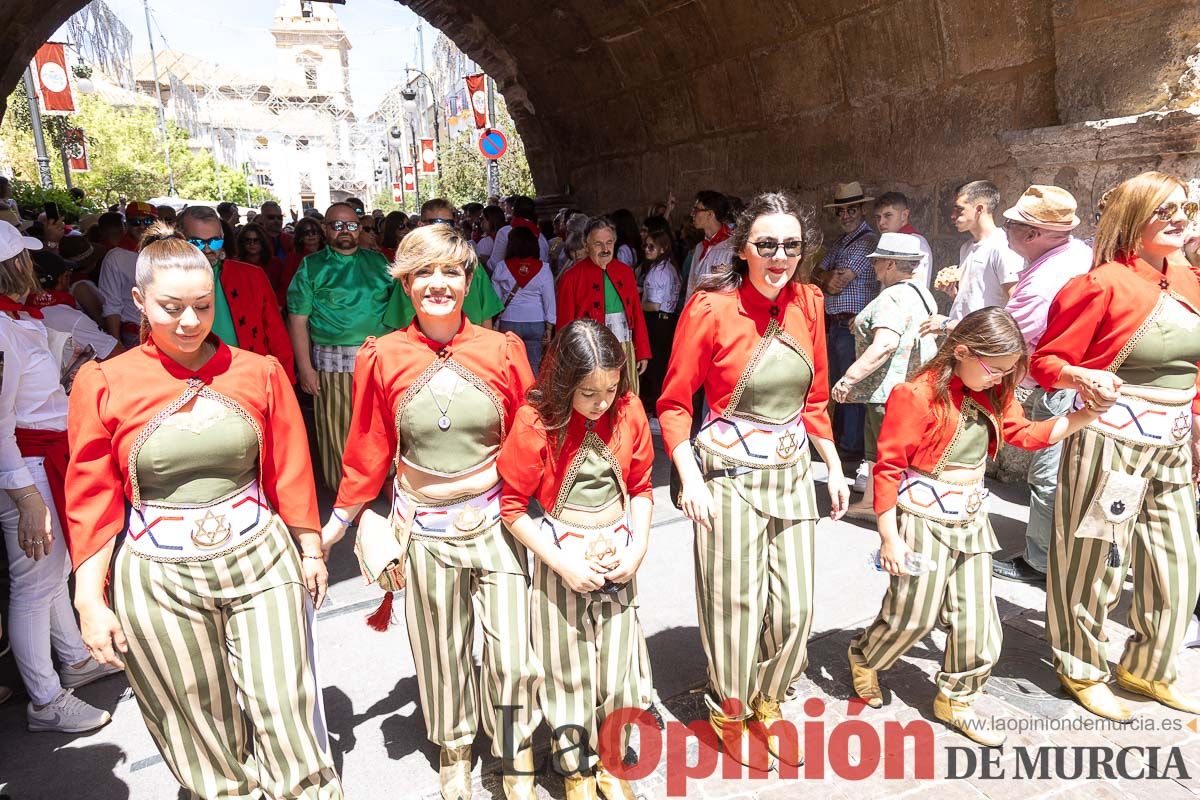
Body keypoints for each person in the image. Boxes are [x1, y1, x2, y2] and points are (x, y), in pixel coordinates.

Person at [66, 223, 342, 797]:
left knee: (282, 698)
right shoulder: (103, 383)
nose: (190, 322)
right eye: (172, 308)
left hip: (261, 558)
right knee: (194, 716)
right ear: (140, 301)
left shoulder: (258, 372)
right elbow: (91, 497)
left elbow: (290, 467)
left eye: (201, 304)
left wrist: (309, 547)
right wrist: (89, 598)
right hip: (158, 574)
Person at [321, 223, 542, 800]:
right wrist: (338, 523)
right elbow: (368, 444)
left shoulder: (504, 350)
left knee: (514, 654)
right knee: (440, 651)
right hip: (423, 530)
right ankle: (455, 749)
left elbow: (533, 435)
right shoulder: (381, 355)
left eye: (451, 271)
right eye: (424, 272)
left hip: (496, 525)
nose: (438, 283)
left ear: (469, 281)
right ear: (406, 282)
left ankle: (516, 749)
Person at [847, 307, 1104, 746]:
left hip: (970, 517)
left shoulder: (996, 392)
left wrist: (1084, 417)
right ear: (962, 351)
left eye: (1009, 370)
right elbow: (888, 468)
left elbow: (1023, 434)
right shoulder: (915, 395)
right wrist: (889, 535)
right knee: (913, 613)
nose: (1001, 378)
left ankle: (957, 697)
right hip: (922, 518)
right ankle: (865, 656)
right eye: (995, 368)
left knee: (979, 619)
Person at [658, 191, 849, 768]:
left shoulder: (810, 302)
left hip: (791, 472)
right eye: (766, 244)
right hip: (727, 474)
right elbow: (672, 403)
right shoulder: (710, 308)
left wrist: (834, 465)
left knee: (794, 605)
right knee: (734, 601)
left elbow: (814, 398)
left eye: (791, 245)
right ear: (743, 249)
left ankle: (771, 698)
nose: (779, 256)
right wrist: (688, 477)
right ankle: (732, 707)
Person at [1032, 171, 1200, 721]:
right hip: (1112, 446)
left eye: (1185, 208)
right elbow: (1046, 363)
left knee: (1179, 565)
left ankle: (1148, 667)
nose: (1180, 218)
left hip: (1172, 446)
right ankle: (1080, 665)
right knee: (1095, 561)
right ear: (1135, 216)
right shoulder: (1101, 283)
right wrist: (1082, 378)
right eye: (1165, 210)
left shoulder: (1188, 277)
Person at [497, 319, 653, 800]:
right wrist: (563, 565)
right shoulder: (535, 421)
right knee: (568, 675)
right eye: (588, 392)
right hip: (559, 560)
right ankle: (576, 771)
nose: (601, 402)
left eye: (610, 388)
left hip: (618, 556)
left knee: (619, 673)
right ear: (564, 382)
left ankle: (612, 758)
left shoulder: (628, 410)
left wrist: (637, 550)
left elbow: (644, 487)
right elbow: (512, 508)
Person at [0, 223, 116, 734]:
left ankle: (73, 659)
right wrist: (25, 497)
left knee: (52, 572)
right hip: (26, 466)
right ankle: (46, 699)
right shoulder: (3, 327)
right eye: (27, 258)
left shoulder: (16, 320)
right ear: (14, 266)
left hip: (41, 459)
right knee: (35, 583)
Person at [990, 186, 1092, 585]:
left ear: (1031, 234)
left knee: (1048, 475)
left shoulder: (1044, 278)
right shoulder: (1076, 254)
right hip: (1073, 381)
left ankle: (1041, 561)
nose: (1007, 229)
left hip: (1063, 386)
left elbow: (1013, 339)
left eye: (1011, 224)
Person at [288, 203, 394, 490]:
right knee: (340, 432)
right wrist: (305, 368)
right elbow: (298, 320)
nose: (344, 232)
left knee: (382, 427)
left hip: (379, 361)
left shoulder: (381, 262)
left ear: (360, 229)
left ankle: (385, 481)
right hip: (332, 366)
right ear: (325, 229)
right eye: (336, 225)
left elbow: (399, 310)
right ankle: (348, 493)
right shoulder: (312, 266)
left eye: (351, 225)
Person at [831, 233, 937, 517]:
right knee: (884, 452)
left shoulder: (892, 296)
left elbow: (886, 343)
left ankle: (883, 508)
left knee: (883, 452)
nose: (874, 267)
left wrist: (848, 378)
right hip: (910, 387)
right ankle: (872, 502)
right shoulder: (920, 293)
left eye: (877, 261)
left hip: (887, 390)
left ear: (890, 264)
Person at [178, 207, 295, 381]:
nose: (208, 249)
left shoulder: (252, 276)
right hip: (192, 378)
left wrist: (286, 381)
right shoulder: (167, 281)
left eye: (215, 242)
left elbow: (276, 334)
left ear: (223, 238)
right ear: (181, 241)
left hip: (248, 376)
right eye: (197, 243)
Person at [812, 182, 880, 461]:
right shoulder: (842, 242)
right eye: (841, 211)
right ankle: (843, 441)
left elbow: (837, 282)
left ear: (863, 209)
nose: (846, 216)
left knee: (850, 386)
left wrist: (825, 276)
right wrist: (823, 276)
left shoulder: (867, 241)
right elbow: (816, 272)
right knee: (838, 385)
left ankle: (850, 448)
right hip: (836, 324)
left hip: (852, 325)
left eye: (851, 209)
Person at [557, 217, 651, 395]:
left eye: (609, 243)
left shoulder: (625, 272)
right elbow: (565, 323)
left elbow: (637, 314)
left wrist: (642, 351)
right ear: (586, 245)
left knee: (626, 397)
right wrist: (569, 358)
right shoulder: (571, 278)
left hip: (624, 345)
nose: (605, 249)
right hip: (591, 350)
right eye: (598, 244)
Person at [921, 180, 1023, 336]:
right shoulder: (966, 247)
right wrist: (954, 293)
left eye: (959, 209)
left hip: (985, 343)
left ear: (979, 209)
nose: (953, 216)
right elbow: (977, 299)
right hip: (964, 339)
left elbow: (1016, 305)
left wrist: (945, 325)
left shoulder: (1002, 247)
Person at [385, 199, 505, 330]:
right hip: (422, 347)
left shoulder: (470, 262)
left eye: (450, 223)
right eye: (438, 222)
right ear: (420, 224)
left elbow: (486, 313)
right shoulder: (411, 267)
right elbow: (400, 320)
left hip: (470, 345)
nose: (438, 285)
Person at [491, 226, 555, 374]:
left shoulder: (502, 267)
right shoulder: (544, 268)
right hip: (536, 321)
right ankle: (531, 395)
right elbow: (549, 301)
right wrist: (549, 328)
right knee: (534, 365)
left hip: (509, 321)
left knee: (510, 365)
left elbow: (496, 300)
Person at [99, 201, 158, 347]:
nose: (142, 226)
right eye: (135, 222)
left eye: (148, 221)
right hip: (135, 331)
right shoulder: (115, 257)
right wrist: (117, 342)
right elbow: (111, 304)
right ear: (126, 225)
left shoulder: (167, 251)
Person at [639, 226, 682, 413]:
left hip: (657, 320)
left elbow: (654, 305)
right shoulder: (671, 267)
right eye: (646, 246)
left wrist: (636, 302)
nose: (647, 250)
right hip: (669, 319)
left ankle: (657, 411)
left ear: (662, 249)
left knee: (656, 369)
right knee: (663, 366)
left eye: (651, 247)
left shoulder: (658, 272)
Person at [873, 192, 934, 287]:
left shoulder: (915, 243)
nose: (881, 222)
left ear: (904, 215)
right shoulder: (891, 242)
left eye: (887, 215)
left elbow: (916, 284)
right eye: (878, 217)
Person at [683, 190, 733, 298]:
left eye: (696, 210)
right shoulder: (700, 247)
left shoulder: (732, 246)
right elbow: (691, 285)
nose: (692, 214)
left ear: (710, 214)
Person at [488, 195, 550, 272]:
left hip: (508, 280)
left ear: (514, 211)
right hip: (536, 281)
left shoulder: (504, 233)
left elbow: (494, 264)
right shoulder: (541, 238)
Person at [279, 216, 326, 308]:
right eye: (306, 233)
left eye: (314, 232)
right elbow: (286, 286)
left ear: (320, 234)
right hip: (302, 307)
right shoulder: (292, 259)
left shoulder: (329, 255)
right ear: (300, 237)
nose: (311, 235)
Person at [235, 221, 286, 293]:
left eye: (256, 240)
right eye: (247, 240)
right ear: (242, 242)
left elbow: (282, 289)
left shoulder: (275, 264)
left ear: (263, 241)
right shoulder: (235, 264)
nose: (252, 244)